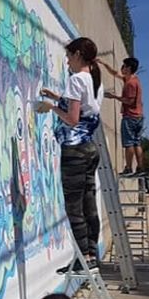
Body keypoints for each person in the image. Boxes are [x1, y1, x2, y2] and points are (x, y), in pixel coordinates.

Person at [37, 37, 105, 272]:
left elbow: (73, 119)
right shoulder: (95, 81)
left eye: (68, 56)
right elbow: (85, 109)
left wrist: (51, 107)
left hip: (75, 151)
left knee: (74, 208)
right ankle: (92, 255)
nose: (67, 61)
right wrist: (57, 97)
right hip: (89, 149)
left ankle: (84, 259)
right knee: (89, 205)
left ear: (77, 55)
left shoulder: (76, 80)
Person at [99, 56, 144, 175]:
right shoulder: (133, 79)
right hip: (138, 116)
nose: (121, 68)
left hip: (130, 116)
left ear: (128, 68)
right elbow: (115, 73)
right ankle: (140, 168)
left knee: (129, 143)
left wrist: (114, 97)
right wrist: (104, 64)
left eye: (123, 66)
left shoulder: (130, 84)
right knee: (137, 143)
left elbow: (129, 101)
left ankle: (129, 168)